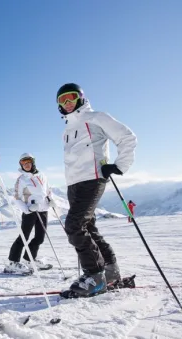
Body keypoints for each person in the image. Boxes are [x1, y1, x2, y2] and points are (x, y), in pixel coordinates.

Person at [57, 82, 137, 297]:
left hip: (92, 180)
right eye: (62, 100)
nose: (67, 102)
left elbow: (127, 137)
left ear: (80, 98)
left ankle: (95, 276)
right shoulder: (66, 129)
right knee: (88, 227)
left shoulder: (96, 118)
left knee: (74, 225)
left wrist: (119, 165)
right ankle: (110, 271)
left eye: (70, 97)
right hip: (73, 184)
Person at [4, 153, 56, 275]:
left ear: (33, 162)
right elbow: (16, 197)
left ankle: (29, 260)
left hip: (43, 210)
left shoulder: (42, 175)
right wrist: (28, 209)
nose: (26, 165)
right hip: (30, 211)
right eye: (23, 164)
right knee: (24, 237)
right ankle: (12, 262)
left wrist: (51, 199)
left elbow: (48, 190)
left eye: (28, 162)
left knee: (40, 238)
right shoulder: (21, 179)